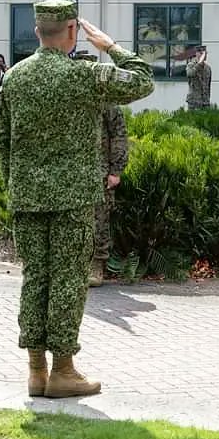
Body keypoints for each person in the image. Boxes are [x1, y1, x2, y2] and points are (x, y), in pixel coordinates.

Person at [0, 0, 154, 398]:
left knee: (36, 278)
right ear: (72, 31)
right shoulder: (82, 76)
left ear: (36, 31)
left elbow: (3, 144)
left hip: (27, 198)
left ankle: (35, 370)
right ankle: (63, 372)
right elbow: (142, 79)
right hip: (72, 200)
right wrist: (109, 46)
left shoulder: (14, 78)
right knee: (67, 281)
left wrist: (16, 187)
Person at [72, 52, 129, 288]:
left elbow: (119, 134)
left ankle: (96, 264)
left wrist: (116, 169)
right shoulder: (67, 98)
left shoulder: (104, 100)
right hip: (71, 172)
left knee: (99, 219)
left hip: (99, 171)